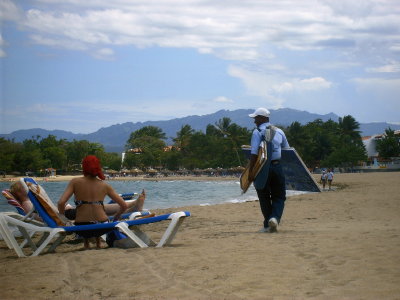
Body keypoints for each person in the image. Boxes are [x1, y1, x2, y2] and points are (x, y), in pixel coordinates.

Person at [57, 155, 131, 249]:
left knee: (83, 213)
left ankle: (86, 244)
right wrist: (116, 218)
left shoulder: (75, 182)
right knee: (98, 215)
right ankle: (98, 243)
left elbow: (61, 203)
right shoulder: (104, 185)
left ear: (84, 167)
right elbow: (124, 206)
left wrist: (63, 219)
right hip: (102, 227)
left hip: (81, 229)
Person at [5, 179, 146, 220]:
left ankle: (133, 206)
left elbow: (43, 214)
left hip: (62, 214)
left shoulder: (27, 202)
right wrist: (62, 212)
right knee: (96, 208)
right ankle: (133, 205)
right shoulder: (27, 203)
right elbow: (41, 218)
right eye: (25, 188)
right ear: (20, 192)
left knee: (96, 207)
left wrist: (62, 209)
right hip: (62, 217)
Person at [247, 108, 290, 233]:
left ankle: (267, 224)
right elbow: (286, 150)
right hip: (277, 167)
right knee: (279, 196)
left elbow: (254, 154)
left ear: (262, 118)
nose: (254, 121)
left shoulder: (257, 132)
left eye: (256, 118)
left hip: (262, 167)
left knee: (264, 196)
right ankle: (274, 218)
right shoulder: (280, 131)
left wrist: (251, 172)